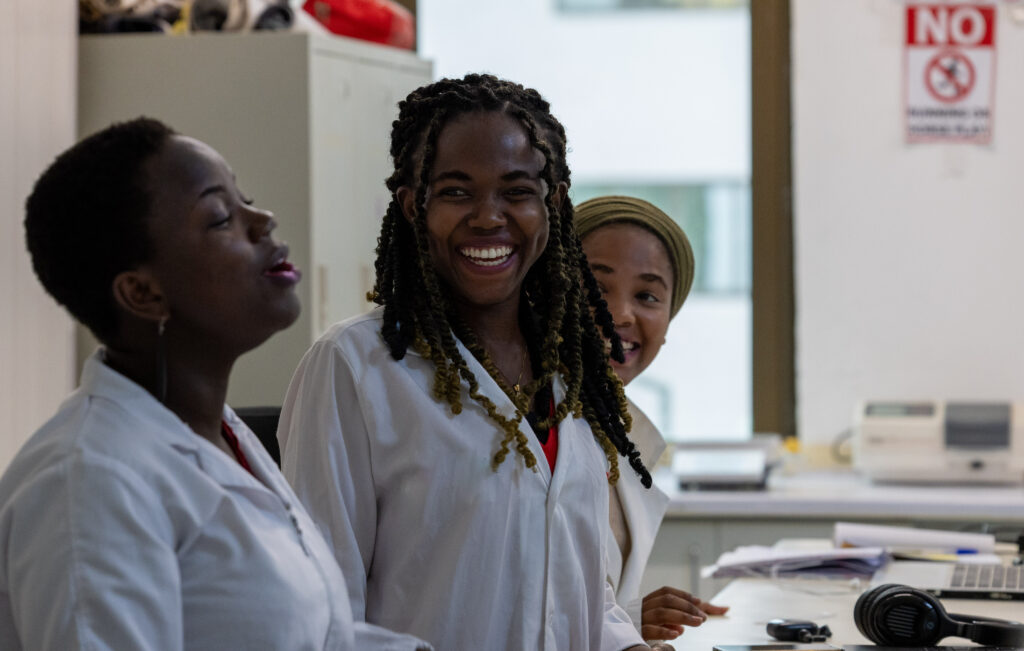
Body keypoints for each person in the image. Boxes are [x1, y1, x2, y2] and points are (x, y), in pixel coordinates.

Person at [1, 118, 429, 651]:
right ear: (142, 293)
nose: (263, 220)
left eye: (244, 199)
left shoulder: (217, 435)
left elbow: (310, 637)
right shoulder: (90, 483)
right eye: (221, 217)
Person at [278, 74, 668, 651]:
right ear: (414, 205)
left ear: (552, 204)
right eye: (458, 192)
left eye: (516, 192)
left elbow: (569, 590)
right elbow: (323, 614)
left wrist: (628, 646)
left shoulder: (571, 372)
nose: (489, 218)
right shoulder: (354, 368)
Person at [575, 195, 730, 643]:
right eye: (595, 290)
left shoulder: (620, 437)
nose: (621, 314)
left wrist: (630, 616)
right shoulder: (524, 434)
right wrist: (619, 627)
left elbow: (582, 606)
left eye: (647, 296)